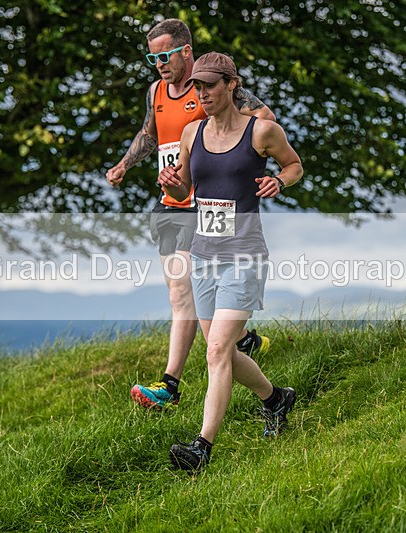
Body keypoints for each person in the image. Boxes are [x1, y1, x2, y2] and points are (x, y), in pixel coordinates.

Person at [106, 19, 276, 411]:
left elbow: (263, 120)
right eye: (153, 58)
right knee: (178, 293)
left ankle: (170, 386)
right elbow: (150, 133)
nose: (159, 64)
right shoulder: (157, 91)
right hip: (170, 203)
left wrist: (239, 164)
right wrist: (124, 166)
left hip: (203, 211)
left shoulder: (214, 89)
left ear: (186, 51)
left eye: (165, 55)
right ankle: (243, 340)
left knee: (184, 294)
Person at [157, 52, 303, 471]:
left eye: (210, 87)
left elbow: (294, 165)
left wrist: (278, 179)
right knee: (219, 351)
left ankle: (202, 447)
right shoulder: (191, 133)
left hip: (245, 254)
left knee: (219, 347)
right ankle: (275, 399)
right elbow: (186, 185)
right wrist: (173, 181)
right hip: (203, 255)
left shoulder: (262, 132)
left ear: (231, 85)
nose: (202, 94)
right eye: (198, 88)